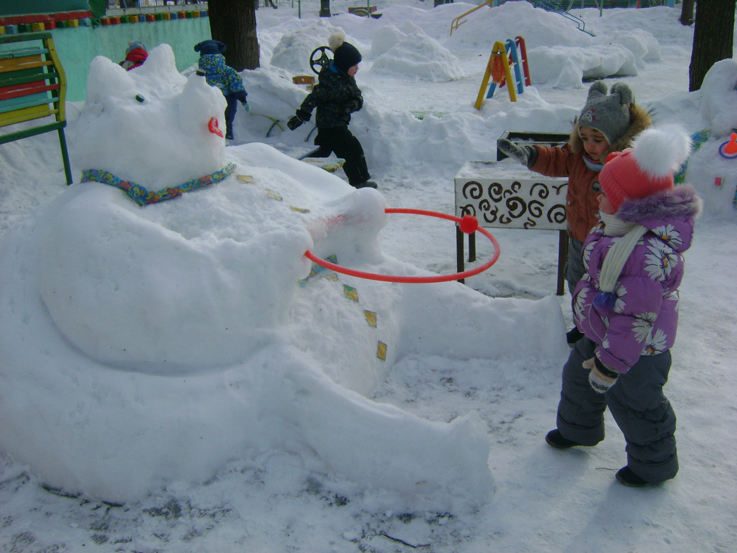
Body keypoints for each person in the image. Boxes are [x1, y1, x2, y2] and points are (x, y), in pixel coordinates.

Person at [545, 125, 701, 488]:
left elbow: (635, 318)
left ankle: (654, 466)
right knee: (578, 379)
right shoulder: (617, 228)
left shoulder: (644, 253)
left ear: (630, 203)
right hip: (603, 331)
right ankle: (578, 430)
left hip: (639, 349)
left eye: (604, 191)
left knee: (636, 404)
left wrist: (609, 365)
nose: (597, 197)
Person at [498, 81, 651, 344]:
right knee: (578, 282)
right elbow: (556, 159)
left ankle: (610, 333)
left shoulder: (628, 164)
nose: (589, 145)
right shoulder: (577, 156)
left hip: (613, 245)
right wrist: (530, 155)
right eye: (584, 137)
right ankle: (584, 325)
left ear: (615, 136)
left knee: (609, 288)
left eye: (598, 139)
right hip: (580, 238)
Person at [287, 30, 376, 189]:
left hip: (338, 125)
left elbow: (357, 96)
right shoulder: (329, 83)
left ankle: (301, 177)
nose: (357, 68)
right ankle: (359, 182)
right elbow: (313, 98)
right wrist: (302, 115)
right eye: (354, 65)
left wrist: (353, 104)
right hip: (331, 126)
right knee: (352, 150)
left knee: (322, 155)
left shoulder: (347, 79)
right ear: (344, 65)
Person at [194, 40, 249, 141]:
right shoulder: (227, 71)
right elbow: (235, 84)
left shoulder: (199, 73)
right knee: (226, 120)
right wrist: (242, 99)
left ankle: (210, 138)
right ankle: (228, 135)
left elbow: (194, 87)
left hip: (207, 101)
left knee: (209, 121)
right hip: (227, 100)